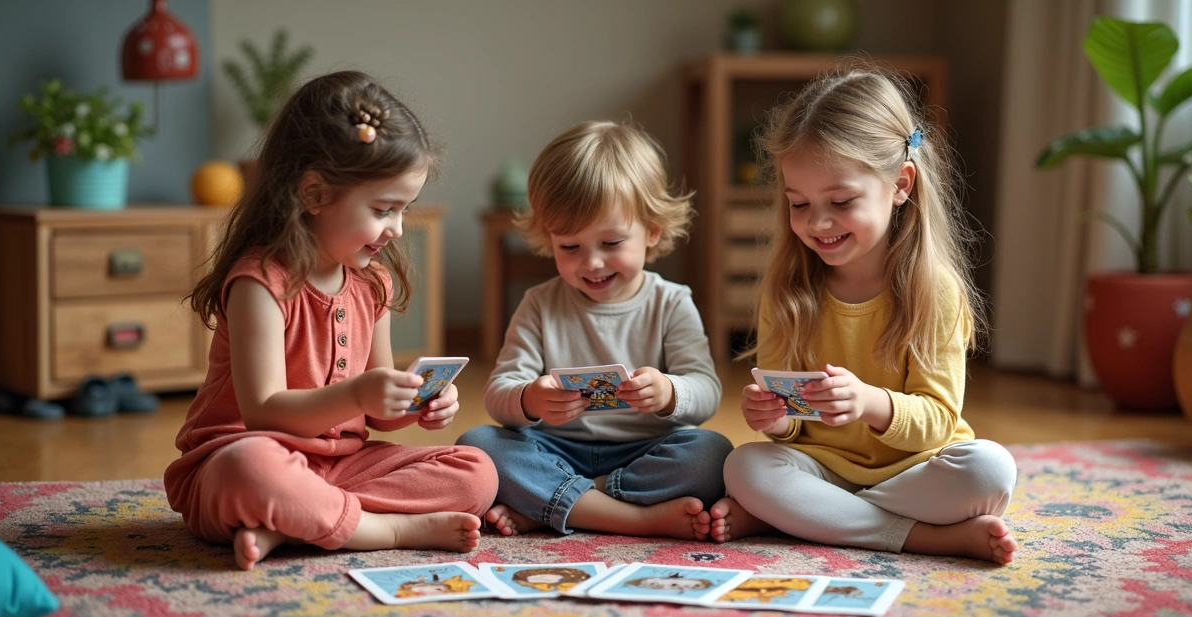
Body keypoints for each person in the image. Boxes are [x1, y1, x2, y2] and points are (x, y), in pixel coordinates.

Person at [164, 71, 497, 571]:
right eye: (384, 209)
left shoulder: (371, 282)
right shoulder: (260, 282)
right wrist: (359, 395)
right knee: (250, 469)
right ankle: (385, 529)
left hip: (338, 467)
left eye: (404, 210)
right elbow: (263, 413)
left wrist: (417, 404)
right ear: (315, 194)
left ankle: (294, 523)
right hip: (239, 459)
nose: (397, 229)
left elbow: (381, 417)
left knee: (476, 472)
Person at [707, 69, 1019, 565]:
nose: (817, 223)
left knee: (990, 469)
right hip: (820, 468)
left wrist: (871, 403)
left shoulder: (934, 290)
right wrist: (775, 419)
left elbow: (940, 421)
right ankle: (924, 537)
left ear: (900, 185)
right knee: (745, 465)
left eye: (841, 202)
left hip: (914, 470)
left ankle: (798, 518)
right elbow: (790, 426)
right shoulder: (788, 290)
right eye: (799, 204)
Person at [457, 121, 730, 541]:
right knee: (477, 444)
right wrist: (530, 399)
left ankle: (559, 505)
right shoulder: (539, 303)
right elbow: (499, 393)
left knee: (712, 455)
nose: (592, 263)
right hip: (554, 449)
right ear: (549, 238)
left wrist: (669, 393)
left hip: (643, 452)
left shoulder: (672, 302)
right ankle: (635, 518)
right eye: (570, 247)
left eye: (612, 243)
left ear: (652, 230)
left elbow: (706, 391)